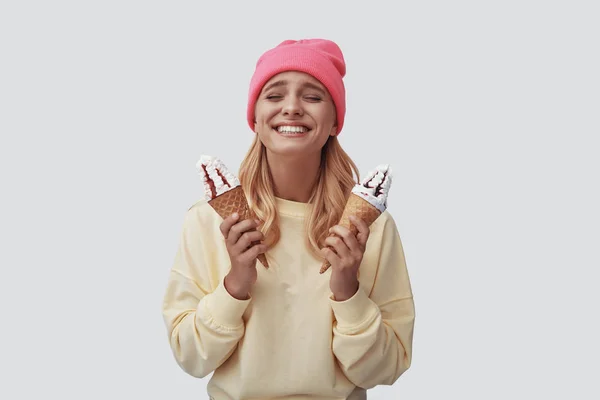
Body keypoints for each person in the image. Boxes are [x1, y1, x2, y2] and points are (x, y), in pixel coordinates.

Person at [161, 38, 415, 400]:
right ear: (255, 118)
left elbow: (387, 368)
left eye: (312, 97)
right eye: (275, 95)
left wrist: (348, 291)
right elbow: (191, 357)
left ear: (334, 122)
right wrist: (236, 283)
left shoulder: (371, 229)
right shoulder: (206, 221)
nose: (292, 108)